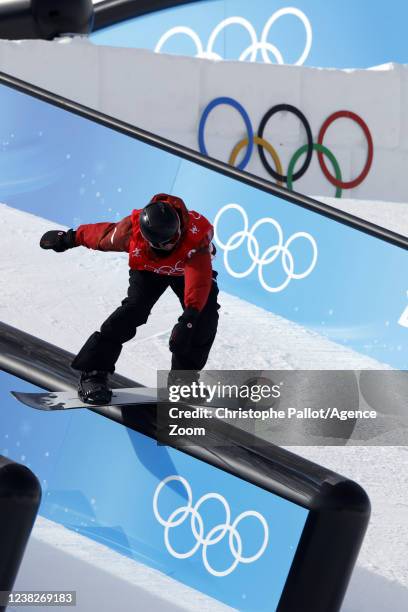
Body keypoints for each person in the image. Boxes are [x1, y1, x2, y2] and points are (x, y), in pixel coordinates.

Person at [39, 193, 220, 404]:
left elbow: (198, 281)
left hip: (186, 271)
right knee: (133, 311)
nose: (173, 243)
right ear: (150, 240)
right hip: (148, 270)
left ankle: (183, 381)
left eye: (175, 237)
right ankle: (94, 372)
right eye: (166, 243)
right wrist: (68, 238)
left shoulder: (194, 236)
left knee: (204, 318)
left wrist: (188, 318)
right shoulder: (131, 232)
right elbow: (101, 235)